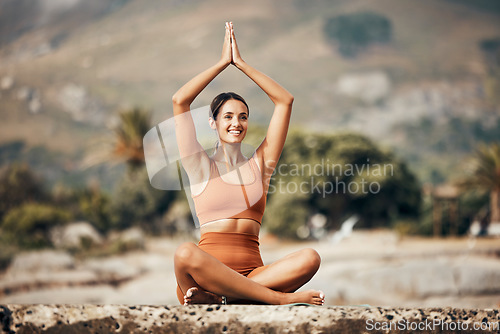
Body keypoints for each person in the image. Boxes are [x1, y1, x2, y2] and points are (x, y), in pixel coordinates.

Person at [173, 22, 325, 306]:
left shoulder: (261, 164)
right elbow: (180, 101)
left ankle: (228, 296)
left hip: (256, 274)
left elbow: (284, 101)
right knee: (184, 253)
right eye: (228, 116)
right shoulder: (198, 165)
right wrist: (222, 64)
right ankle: (276, 299)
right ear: (213, 123)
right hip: (205, 278)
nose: (236, 123)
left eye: (243, 116)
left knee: (310, 258)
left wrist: (241, 64)